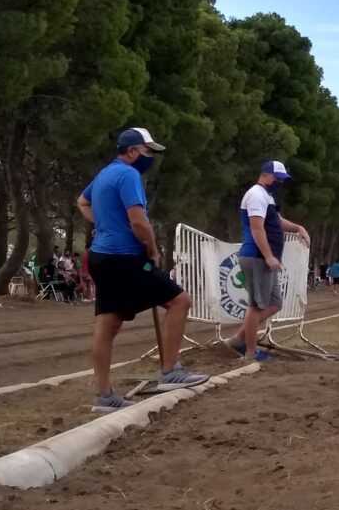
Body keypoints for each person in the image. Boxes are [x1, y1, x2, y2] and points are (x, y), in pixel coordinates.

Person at [76, 127, 208, 412]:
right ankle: (171, 371)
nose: (150, 158)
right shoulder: (129, 175)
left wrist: (105, 224)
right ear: (133, 150)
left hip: (100, 256)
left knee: (107, 324)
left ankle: (104, 396)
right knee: (179, 300)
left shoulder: (103, 175)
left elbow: (82, 202)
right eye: (148, 152)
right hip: (124, 256)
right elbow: (138, 221)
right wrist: (152, 248)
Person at [225, 161, 311, 360]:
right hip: (256, 257)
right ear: (265, 175)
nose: (279, 182)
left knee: (274, 303)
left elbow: (277, 222)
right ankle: (250, 352)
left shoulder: (267, 197)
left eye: (282, 180)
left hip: (263, 258)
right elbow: (257, 228)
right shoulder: (256, 195)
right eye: (277, 179)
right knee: (256, 306)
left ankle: (238, 339)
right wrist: (269, 256)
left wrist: (299, 227)